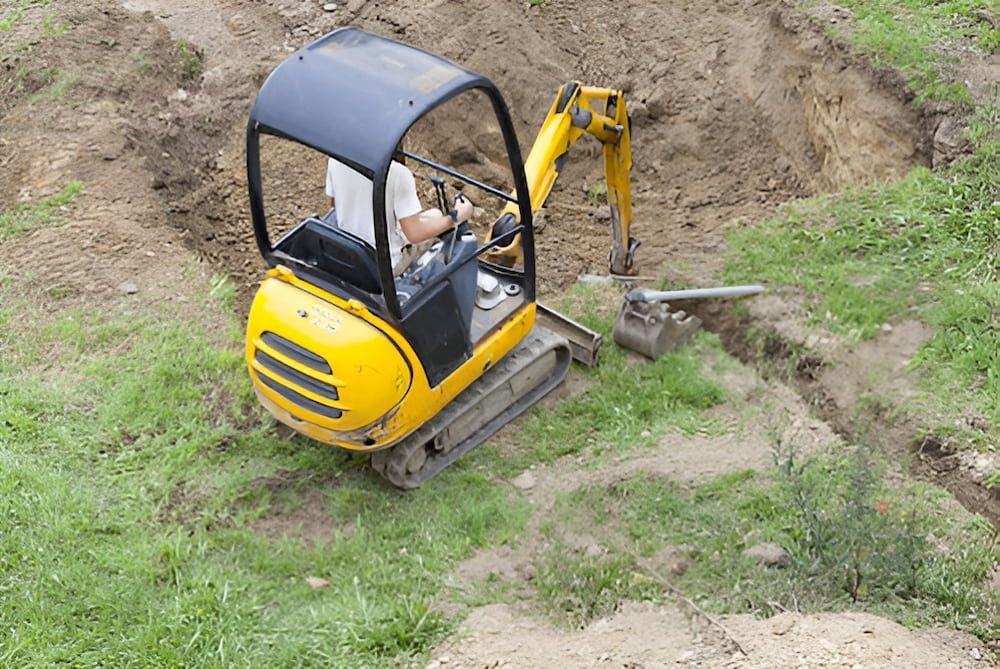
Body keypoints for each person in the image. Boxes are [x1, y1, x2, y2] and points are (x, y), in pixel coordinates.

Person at [325, 154, 474, 273]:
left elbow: (332, 203)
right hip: (383, 266)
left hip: (347, 250)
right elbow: (415, 234)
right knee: (438, 225)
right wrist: (456, 217)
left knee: (434, 214)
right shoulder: (397, 174)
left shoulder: (337, 158)